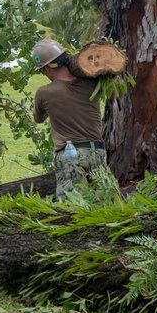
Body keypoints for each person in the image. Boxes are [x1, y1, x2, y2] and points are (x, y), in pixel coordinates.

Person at [31, 39, 108, 199]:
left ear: (46, 68)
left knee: (73, 208)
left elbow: (38, 118)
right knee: (102, 207)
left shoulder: (44, 93)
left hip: (71, 156)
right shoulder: (91, 83)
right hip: (98, 153)